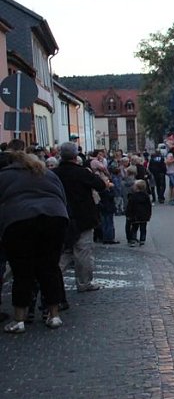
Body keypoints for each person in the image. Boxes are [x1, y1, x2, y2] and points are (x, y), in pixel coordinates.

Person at [0, 149, 69, 333]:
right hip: (54, 217)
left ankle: (19, 320)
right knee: (50, 268)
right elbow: (62, 198)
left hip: (19, 220)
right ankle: (54, 315)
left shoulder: (5, 175)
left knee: (22, 271)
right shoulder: (47, 173)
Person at [54, 141, 109, 293]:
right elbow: (100, 185)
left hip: (61, 215)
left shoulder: (54, 173)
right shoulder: (81, 172)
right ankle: (84, 282)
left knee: (65, 251)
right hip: (83, 216)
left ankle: (52, 280)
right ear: (75, 155)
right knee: (83, 251)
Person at [125, 179, 152, 247]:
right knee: (143, 228)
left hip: (135, 215)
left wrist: (128, 214)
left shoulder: (133, 196)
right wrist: (149, 214)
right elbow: (149, 206)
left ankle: (133, 240)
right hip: (144, 215)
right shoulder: (146, 196)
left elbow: (130, 206)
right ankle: (142, 240)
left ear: (136, 187)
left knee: (134, 228)